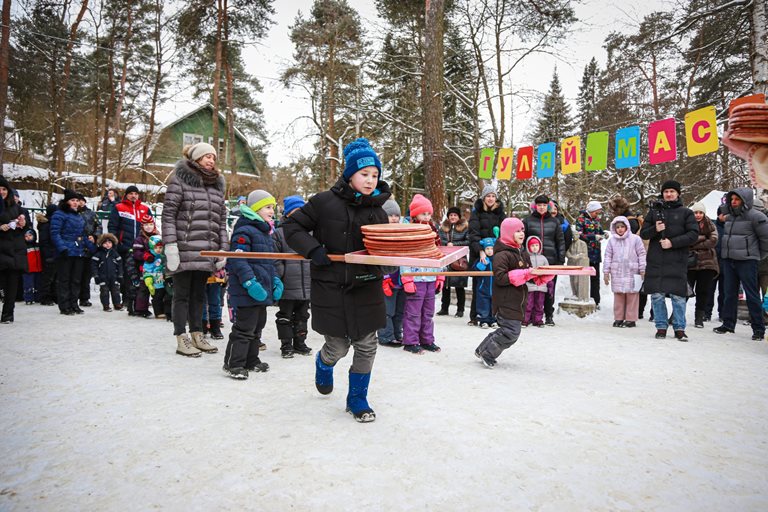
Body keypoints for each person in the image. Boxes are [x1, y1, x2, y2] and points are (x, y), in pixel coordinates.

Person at [283, 137, 391, 423]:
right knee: (338, 347)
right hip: (331, 288)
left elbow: (384, 250)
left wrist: (391, 263)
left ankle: (357, 398)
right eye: (364, 174)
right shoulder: (323, 203)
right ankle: (324, 361)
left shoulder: (378, 212)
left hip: (366, 287)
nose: (370, 180)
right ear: (349, 174)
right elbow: (292, 227)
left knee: (367, 346)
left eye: (375, 175)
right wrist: (313, 249)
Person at [162, 142, 228, 358]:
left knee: (200, 296)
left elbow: (221, 221)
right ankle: (182, 338)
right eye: (207, 156)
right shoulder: (179, 180)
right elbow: (168, 214)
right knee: (181, 295)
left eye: (213, 157)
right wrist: (170, 245)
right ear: (196, 158)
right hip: (183, 248)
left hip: (206, 251)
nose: (211, 160)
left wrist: (222, 250)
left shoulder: (217, 185)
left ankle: (198, 334)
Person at [474, 217, 553, 368]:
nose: (521, 233)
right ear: (508, 233)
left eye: (522, 230)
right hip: (505, 300)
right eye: (517, 231)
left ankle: (482, 349)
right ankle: (488, 353)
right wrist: (524, 274)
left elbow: (529, 275)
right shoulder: (502, 254)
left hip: (518, 300)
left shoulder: (522, 253)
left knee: (507, 330)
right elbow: (500, 277)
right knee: (511, 332)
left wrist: (541, 276)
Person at [223, 190, 280, 379]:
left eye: (273, 207)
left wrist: (275, 280)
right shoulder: (245, 230)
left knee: (257, 327)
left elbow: (267, 262)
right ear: (256, 208)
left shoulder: (264, 232)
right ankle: (234, 363)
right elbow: (238, 260)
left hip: (262, 290)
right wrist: (249, 282)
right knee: (244, 329)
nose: (272, 211)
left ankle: (251, 360)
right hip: (247, 289)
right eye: (268, 207)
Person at [640, 180, 699, 341]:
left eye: (672, 191)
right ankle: (661, 326)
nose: (669, 194)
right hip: (656, 260)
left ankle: (679, 328)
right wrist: (655, 229)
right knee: (657, 296)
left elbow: (693, 234)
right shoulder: (654, 212)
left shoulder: (686, 213)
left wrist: (672, 243)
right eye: (666, 191)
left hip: (677, 260)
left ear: (678, 193)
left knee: (678, 296)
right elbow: (644, 233)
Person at [713, 187, 768, 340]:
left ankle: (758, 328)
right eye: (732, 199)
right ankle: (728, 323)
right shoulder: (730, 217)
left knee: (751, 295)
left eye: (737, 199)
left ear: (745, 200)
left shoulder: (757, 216)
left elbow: (766, 239)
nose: (734, 202)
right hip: (729, 260)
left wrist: (756, 256)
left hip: (747, 261)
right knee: (729, 294)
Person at [400, 194, 443, 354]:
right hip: (416, 278)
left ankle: (427, 339)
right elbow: (404, 256)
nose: (427, 217)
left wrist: (440, 276)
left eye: (429, 214)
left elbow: (439, 254)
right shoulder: (410, 232)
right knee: (413, 312)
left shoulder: (433, 232)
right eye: (423, 213)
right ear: (415, 214)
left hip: (430, 276)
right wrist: (407, 279)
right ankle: (410, 341)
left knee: (428, 311)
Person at [272, 195, 312, 358]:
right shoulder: (279, 233)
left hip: (306, 283)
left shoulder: (311, 231)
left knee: (303, 315)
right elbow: (275, 257)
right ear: (288, 213)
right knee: (285, 315)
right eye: (295, 211)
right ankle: (286, 344)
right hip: (287, 283)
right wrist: (281, 274)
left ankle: (300, 342)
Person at [523, 195, 565, 325]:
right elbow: (522, 240)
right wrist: (523, 258)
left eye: (544, 205)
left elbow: (560, 241)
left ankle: (549, 314)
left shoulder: (554, 221)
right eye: (539, 205)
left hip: (550, 260)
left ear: (548, 206)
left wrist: (561, 258)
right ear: (535, 206)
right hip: (532, 262)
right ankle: (529, 315)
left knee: (549, 289)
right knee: (531, 289)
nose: (541, 207)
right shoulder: (528, 221)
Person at [468, 184, 505, 326]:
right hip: (480, 254)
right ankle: (475, 315)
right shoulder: (476, 212)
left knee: (495, 285)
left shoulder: (500, 213)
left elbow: (504, 233)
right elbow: (473, 234)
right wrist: (480, 250)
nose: (490, 198)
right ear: (483, 198)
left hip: (496, 253)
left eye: (493, 196)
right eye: (488, 196)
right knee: (479, 284)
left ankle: (493, 316)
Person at [50, 189, 90, 316]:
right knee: (64, 279)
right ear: (67, 201)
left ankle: (74, 304)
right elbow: (55, 233)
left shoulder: (79, 216)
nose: (75, 203)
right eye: (72, 200)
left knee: (76, 279)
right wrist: (62, 248)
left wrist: (87, 246)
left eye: (77, 200)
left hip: (78, 251)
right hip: (65, 252)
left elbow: (82, 234)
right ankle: (64, 305)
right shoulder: (59, 214)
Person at [603, 216, 646, 328]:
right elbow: (608, 256)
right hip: (617, 272)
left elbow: (641, 254)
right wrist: (606, 272)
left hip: (632, 272)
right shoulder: (612, 241)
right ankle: (619, 318)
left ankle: (631, 319)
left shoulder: (635, 239)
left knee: (632, 296)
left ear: (627, 227)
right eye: (618, 227)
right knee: (619, 296)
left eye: (622, 226)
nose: (620, 229)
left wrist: (642, 269)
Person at [0, 176, 28, 323]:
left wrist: (23, 224)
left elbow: (26, 227)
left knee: (12, 284)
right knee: (3, 284)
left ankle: (8, 314)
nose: (1, 192)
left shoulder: (16, 207)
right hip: (2, 250)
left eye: (4, 189)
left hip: (14, 251)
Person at [686, 202, 719, 329]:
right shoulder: (687, 224)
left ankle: (699, 317)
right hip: (690, 262)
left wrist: (695, 243)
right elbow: (686, 239)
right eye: (696, 212)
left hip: (707, 263)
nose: (698, 215)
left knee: (703, 291)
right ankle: (677, 315)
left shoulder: (710, 224)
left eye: (700, 212)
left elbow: (713, 240)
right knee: (685, 289)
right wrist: (702, 238)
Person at [378, 199, 405, 347]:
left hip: (401, 279)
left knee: (399, 311)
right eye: (390, 215)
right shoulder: (379, 233)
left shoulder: (401, 232)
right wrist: (385, 277)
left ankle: (396, 333)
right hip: (387, 278)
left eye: (396, 215)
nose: (394, 218)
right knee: (387, 310)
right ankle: (385, 336)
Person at [437, 205, 469, 317]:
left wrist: (454, 245)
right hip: (446, 257)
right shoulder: (443, 227)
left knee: (459, 285)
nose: (453, 217)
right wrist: (446, 245)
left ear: (458, 217)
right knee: (446, 285)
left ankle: (460, 309)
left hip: (460, 259)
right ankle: (444, 308)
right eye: (451, 215)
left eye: (455, 215)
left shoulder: (465, 228)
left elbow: (468, 241)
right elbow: (440, 240)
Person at [575, 200, 606, 308]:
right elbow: (579, 235)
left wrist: (604, 234)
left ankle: (596, 301)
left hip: (596, 253)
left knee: (595, 278)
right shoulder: (580, 219)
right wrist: (593, 237)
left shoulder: (596, 220)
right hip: (584, 253)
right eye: (596, 212)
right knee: (583, 278)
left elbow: (600, 231)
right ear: (591, 210)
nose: (597, 215)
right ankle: (581, 298)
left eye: (598, 213)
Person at [130, 214, 159, 318]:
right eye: (146, 225)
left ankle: (160, 309)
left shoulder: (157, 237)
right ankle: (141, 309)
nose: (149, 227)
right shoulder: (139, 239)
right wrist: (145, 255)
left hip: (158, 267)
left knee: (158, 288)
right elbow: (136, 253)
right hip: (145, 267)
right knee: (144, 288)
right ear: (142, 226)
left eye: (151, 224)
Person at [77, 193, 102, 308]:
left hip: (89, 248)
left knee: (86, 275)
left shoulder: (91, 214)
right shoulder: (72, 213)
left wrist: (95, 236)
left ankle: (84, 298)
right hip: (76, 247)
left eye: (81, 200)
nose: (80, 202)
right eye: (77, 200)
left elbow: (99, 226)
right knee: (76, 275)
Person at [91, 233, 123, 311]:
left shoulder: (115, 254)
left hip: (114, 276)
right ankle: (106, 305)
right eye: (105, 243)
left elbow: (120, 265)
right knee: (104, 292)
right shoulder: (98, 254)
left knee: (116, 291)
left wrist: (120, 275)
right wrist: (96, 276)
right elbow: (94, 265)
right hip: (103, 277)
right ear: (101, 244)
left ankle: (117, 304)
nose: (107, 245)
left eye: (109, 243)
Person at [523, 235, 549, 328]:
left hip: (541, 286)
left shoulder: (543, 258)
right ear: (528, 247)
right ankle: (525, 319)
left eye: (536, 245)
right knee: (528, 304)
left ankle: (538, 320)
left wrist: (546, 282)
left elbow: (547, 271)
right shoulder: (526, 257)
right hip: (530, 285)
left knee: (539, 304)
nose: (535, 248)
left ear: (540, 246)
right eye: (532, 246)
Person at [142, 235, 169, 319]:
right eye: (156, 248)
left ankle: (165, 311)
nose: (158, 250)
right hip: (156, 282)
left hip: (164, 281)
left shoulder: (163, 256)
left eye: (160, 247)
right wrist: (149, 281)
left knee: (165, 296)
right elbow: (147, 270)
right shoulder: (150, 258)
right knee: (157, 298)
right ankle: (158, 312)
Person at [36, 204, 58, 306]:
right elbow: (44, 241)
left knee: (54, 276)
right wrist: (48, 255)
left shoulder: (51, 223)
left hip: (53, 252)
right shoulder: (46, 225)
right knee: (47, 277)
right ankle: (45, 297)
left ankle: (53, 295)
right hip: (48, 254)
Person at [473, 237, 496, 328]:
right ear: (483, 250)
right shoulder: (481, 259)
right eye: (487, 249)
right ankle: (483, 320)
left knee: (494, 305)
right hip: (483, 288)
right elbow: (475, 270)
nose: (490, 251)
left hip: (495, 288)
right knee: (483, 304)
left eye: (491, 248)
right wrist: (482, 264)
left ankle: (493, 320)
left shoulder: (497, 259)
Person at [203, 268, 226, 339]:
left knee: (215, 302)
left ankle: (215, 327)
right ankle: (202, 326)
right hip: (199, 273)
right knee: (201, 302)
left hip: (216, 275)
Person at [22, 230, 42, 304]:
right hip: (28, 269)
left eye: (30, 235)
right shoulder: (24, 246)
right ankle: (28, 298)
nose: (28, 238)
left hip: (38, 268)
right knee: (28, 284)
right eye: (26, 236)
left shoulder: (38, 245)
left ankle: (38, 297)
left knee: (38, 284)